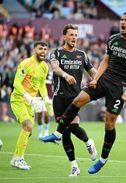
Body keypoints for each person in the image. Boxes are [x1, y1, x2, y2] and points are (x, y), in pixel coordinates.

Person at [40, 11, 126, 174]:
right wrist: (96, 78)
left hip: (119, 87)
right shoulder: (113, 40)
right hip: (104, 80)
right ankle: (57, 133)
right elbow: (105, 61)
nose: (122, 22)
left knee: (109, 123)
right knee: (78, 101)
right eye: (121, 20)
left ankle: (102, 159)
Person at [40, 24, 98, 176]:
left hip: (75, 97)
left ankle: (88, 142)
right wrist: (65, 75)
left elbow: (92, 71)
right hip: (59, 97)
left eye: (76, 35)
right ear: (64, 36)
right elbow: (55, 68)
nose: (74, 38)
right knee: (65, 132)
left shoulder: (82, 55)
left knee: (71, 126)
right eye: (71, 35)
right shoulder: (57, 52)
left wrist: (98, 80)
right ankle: (74, 166)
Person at [10, 41, 53, 170]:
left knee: (28, 131)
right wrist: (27, 96)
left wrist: (46, 99)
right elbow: (16, 83)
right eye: (40, 48)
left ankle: (15, 158)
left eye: (45, 49)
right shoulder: (25, 63)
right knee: (28, 126)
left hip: (30, 103)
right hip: (18, 99)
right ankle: (19, 159)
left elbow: (41, 84)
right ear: (35, 49)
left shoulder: (45, 66)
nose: (43, 51)